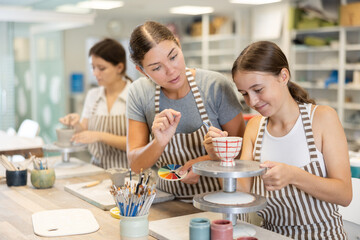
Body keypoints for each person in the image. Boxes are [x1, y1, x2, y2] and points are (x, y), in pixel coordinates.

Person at [204, 41, 352, 239]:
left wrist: (294, 175)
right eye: (245, 94)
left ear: (283, 76)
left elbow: (344, 195)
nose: (252, 102)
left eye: (258, 89)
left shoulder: (323, 118)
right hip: (270, 235)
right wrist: (220, 158)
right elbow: (240, 193)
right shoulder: (255, 128)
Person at [126, 21, 245, 200]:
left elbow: (243, 153)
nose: (171, 70)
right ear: (142, 71)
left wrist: (203, 163)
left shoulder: (215, 86)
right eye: (157, 68)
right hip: (166, 202)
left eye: (173, 56)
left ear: (179, 44)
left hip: (217, 201)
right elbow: (136, 166)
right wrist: (158, 143)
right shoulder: (139, 93)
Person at [59, 38, 132, 169]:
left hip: (130, 174)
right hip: (97, 170)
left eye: (101, 68)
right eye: (93, 67)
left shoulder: (134, 95)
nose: (95, 73)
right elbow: (85, 134)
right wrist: (76, 124)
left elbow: (137, 144)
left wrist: (100, 136)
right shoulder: (93, 95)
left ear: (119, 67)